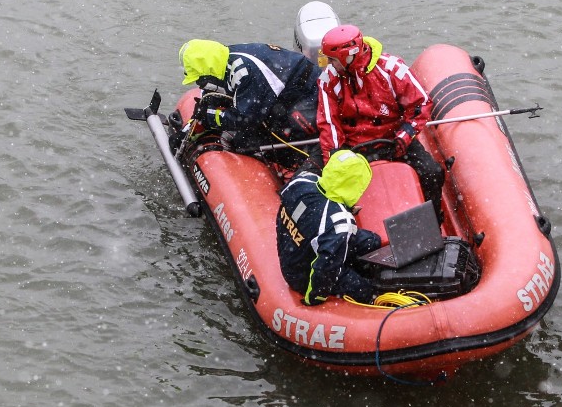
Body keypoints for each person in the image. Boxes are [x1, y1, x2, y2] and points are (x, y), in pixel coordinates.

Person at [316, 25, 445, 219]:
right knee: (327, 189)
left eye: (332, 60)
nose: (329, 65)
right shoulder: (329, 80)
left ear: (347, 57)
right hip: (353, 149)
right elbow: (329, 125)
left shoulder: (391, 69)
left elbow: (421, 103)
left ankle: (433, 220)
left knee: (432, 173)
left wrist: (405, 135)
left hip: (394, 141)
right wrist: (335, 160)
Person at [179, 39, 323, 170]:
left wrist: (209, 117)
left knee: (245, 142)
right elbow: (217, 97)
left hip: (309, 99)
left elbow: (244, 119)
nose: (200, 85)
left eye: (201, 80)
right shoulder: (227, 59)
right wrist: (191, 127)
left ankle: (293, 166)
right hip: (292, 94)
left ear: (209, 72)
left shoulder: (244, 71)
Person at [276, 150, 381, 305]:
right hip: (302, 275)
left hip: (296, 248)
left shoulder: (302, 181)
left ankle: (357, 263)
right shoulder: (340, 222)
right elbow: (325, 269)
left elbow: (287, 215)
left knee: (372, 241)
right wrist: (314, 298)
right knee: (365, 289)